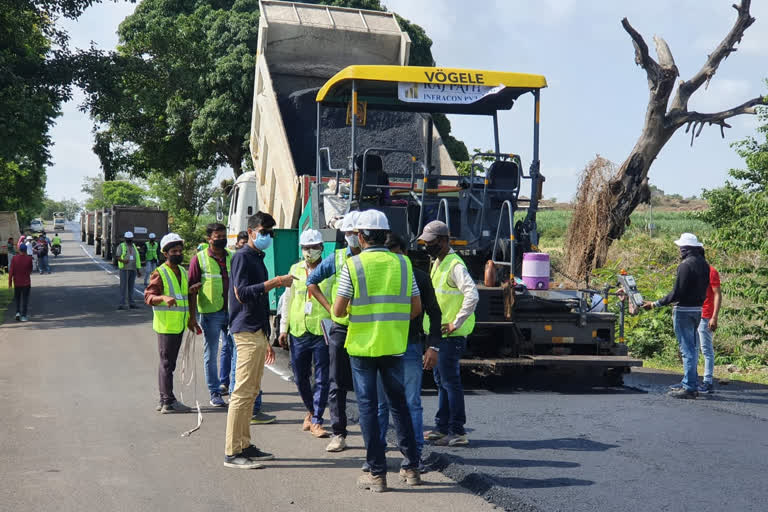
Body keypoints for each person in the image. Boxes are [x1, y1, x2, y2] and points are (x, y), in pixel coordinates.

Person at [333, 209, 423, 492]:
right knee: (400, 405)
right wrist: (391, 322)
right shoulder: (404, 264)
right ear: (386, 235)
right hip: (394, 345)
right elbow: (416, 308)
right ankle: (411, 467)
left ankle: (377, 473)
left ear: (360, 236)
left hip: (362, 347)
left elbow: (338, 310)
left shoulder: (354, 265)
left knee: (369, 407)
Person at [224, 211, 293, 469]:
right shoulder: (242, 256)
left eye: (271, 233)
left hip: (256, 331)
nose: (268, 237)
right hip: (245, 330)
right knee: (241, 393)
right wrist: (275, 282)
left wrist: (266, 336)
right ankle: (232, 451)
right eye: (264, 232)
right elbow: (241, 294)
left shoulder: (256, 257)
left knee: (251, 392)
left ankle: (244, 444)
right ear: (251, 232)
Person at [369, 232, 442, 473]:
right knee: (381, 405)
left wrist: (433, 345)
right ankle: (377, 457)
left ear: (404, 252)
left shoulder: (417, 278)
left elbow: (434, 311)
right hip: (383, 346)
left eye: (396, 253)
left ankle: (414, 455)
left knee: (411, 402)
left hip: (408, 345)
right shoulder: (379, 278)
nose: (392, 259)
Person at [306, 211, 361, 453]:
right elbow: (312, 282)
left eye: (355, 233)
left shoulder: (377, 259)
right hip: (342, 327)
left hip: (369, 327)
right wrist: (331, 309)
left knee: (368, 383)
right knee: (336, 381)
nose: (351, 237)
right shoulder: (338, 258)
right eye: (348, 233)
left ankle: (375, 433)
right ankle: (339, 433)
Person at [419, 220, 477, 447]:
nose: (426, 246)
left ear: (443, 241)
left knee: (450, 381)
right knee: (441, 381)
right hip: (438, 333)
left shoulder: (455, 265)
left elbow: (472, 295)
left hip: (451, 335)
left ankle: (457, 430)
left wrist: (456, 322)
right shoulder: (437, 262)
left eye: (430, 242)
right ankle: (442, 427)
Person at [643, 233, 710, 399]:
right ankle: (690, 381)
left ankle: (689, 387)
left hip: (684, 311)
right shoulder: (704, 264)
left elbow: (677, 293)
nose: (680, 250)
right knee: (693, 348)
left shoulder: (685, 266)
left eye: (681, 248)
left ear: (687, 249)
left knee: (687, 349)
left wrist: (655, 304)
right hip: (697, 310)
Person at [279, 229, 331, 438]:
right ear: (301, 249)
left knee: (322, 378)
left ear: (322, 248)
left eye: (314, 247)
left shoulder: (330, 269)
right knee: (300, 376)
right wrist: (283, 328)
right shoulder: (295, 269)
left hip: (321, 330)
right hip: (299, 330)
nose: (310, 251)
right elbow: (288, 300)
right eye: (306, 248)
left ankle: (317, 419)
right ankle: (310, 410)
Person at [144, 233, 200, 413]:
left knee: (170, 364)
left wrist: (192, 316)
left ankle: (164, 399)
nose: (178, 253)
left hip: (179, 325)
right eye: (174, 251)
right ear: (165, 253)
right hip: (166, 326)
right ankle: (168, 401)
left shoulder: (183, 272)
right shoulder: (159, 272)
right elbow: (148, 296)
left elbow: (185, 295)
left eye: (180, 250)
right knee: (167, 364)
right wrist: (162, 298)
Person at [187, 223, 233, 408]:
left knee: (235, 350)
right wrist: (191, 317)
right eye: (217, 236)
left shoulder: (233, 256)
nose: (221, 239)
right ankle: (215, 392)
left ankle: (233, 387)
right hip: (210, 313)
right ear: (209, 239)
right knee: (211, 353)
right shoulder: (199, 259)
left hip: (232, 311)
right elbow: (191, 290)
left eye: (223, 235)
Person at [219, 230, 250, 394]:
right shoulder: (235, 258)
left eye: (246, 241)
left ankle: (233, 386)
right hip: (229, 310)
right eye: (241, 242)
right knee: (227, 347)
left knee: (237, 350)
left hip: (237, 312)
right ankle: (225, 383)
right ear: (237, 243)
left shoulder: (250, 258)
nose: (244, 244)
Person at [698, 262, 722, 394]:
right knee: (693, 348)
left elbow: (717, 294)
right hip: (694, 313)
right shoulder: (693, 269)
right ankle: (691, 379)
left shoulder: (711, 271)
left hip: (706, 315)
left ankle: (708, 381)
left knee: (706, 349)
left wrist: (714, 317)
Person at [116, 231, 142, 310]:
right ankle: (122, 304)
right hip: (124, 269)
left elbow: (137, 258)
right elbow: (117, 256)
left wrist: (138, 270)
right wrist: (123, 261)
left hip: (133, 269)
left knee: (131, 287)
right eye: (128, 239)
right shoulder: (121, 246)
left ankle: (131, 303)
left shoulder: (134, 246)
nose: (129, 240)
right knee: (123, 287)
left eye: (130, 239)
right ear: (125, 239)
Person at [9, 243, 33, 322]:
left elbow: (11, 271)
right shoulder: (29, 259)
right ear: (26, 250)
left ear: (19, 250)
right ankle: (23, 316)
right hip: (26, 282)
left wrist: (10, 283)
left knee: (17, 299)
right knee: (25, 299)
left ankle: (17, 312)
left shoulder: (14, 258)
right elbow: (30, 270)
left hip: (17, 282)